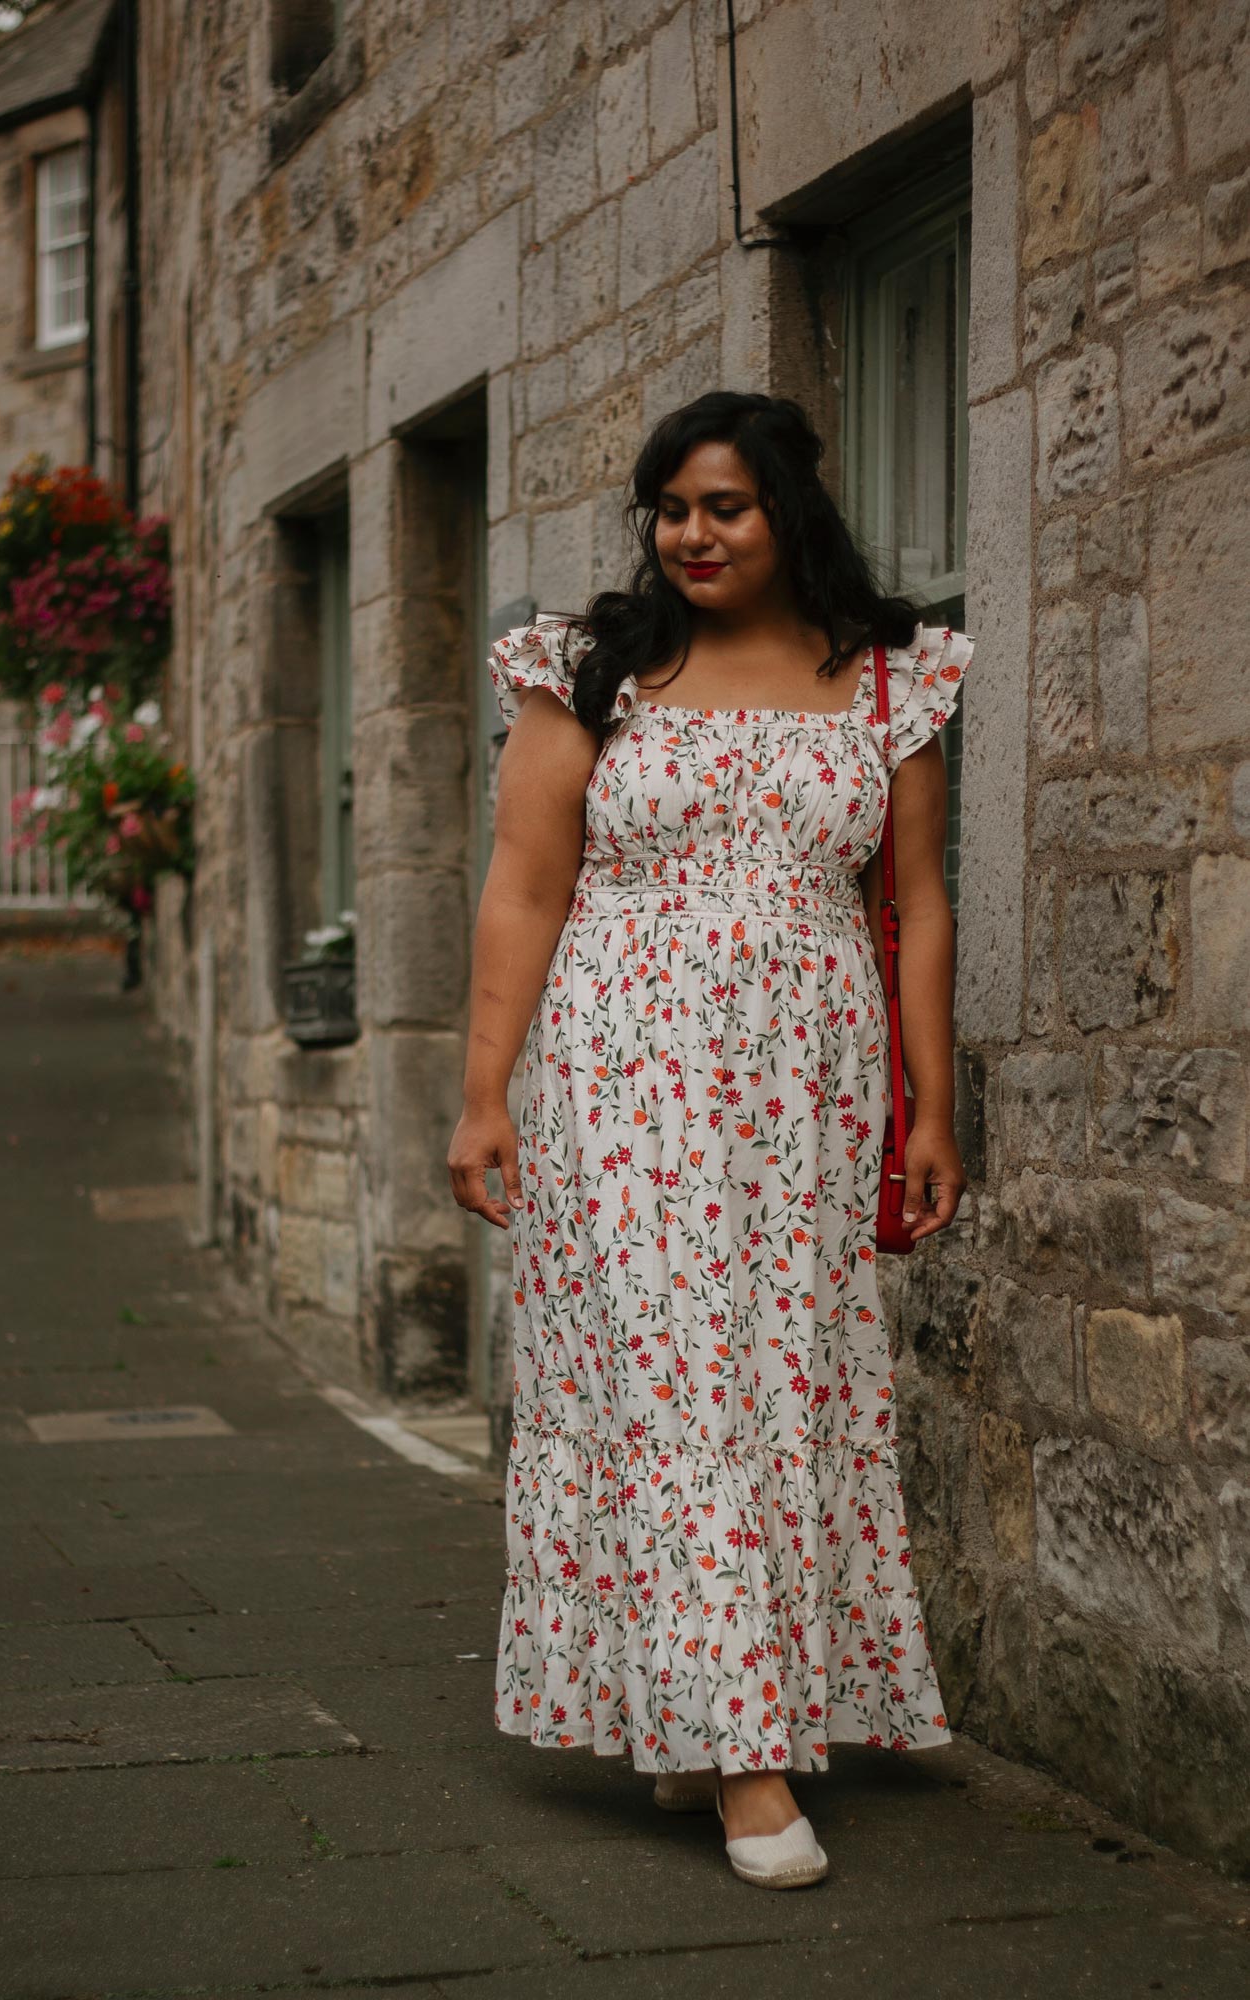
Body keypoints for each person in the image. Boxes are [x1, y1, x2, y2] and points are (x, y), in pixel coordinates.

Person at [448, 390, 976, 1890]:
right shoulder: (592, 672)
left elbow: (920, 902)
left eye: (722, 507)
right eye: (670, 507)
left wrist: (933, 1108)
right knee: (673, 1395)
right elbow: (522, 888)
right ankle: (746, 1765)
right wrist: (486, 1093)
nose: (689, 533)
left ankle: (691, 1710)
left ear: (788, 512)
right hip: (624, 1084)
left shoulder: (887, 681)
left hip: (807, 1095)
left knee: (772, 1394)